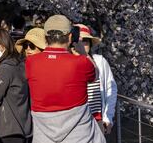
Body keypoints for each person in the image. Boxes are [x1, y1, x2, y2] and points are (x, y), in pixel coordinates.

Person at [25, 15, 105, 143]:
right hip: (80, 136)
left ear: (46, 38)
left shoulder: (31, 62)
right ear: (69, 37)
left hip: (43, 136)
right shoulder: (80, 62)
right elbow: (94, 75)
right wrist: (83, 53)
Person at [0, 28, 32, 143]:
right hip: (23, 128)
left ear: (4, 45)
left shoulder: (5, 69)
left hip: (8, 132)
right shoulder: (19, 63)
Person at [71, 24, 118, 135]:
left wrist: (108, 117)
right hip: (74, 122)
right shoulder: (66, 63)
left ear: (90, 44)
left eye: (85, 41)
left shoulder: (99, 61)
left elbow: (111, 89)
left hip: (97, 119)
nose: (81, 45)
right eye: (78, 41)